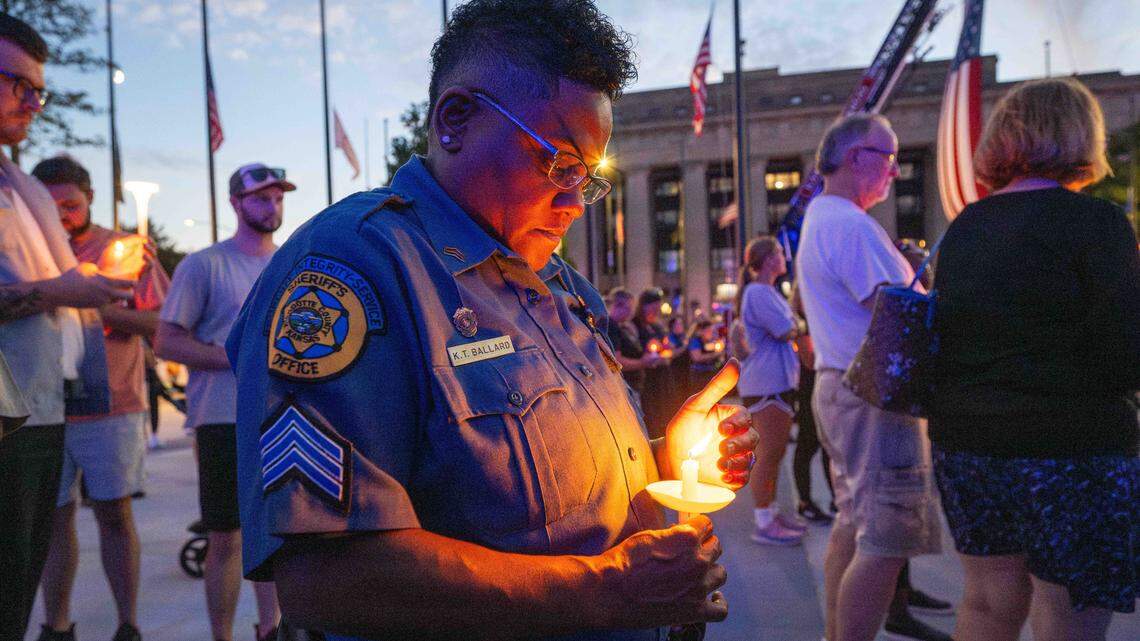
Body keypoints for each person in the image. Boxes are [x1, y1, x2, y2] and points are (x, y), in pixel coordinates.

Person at [226, 2, 759, 639]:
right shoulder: (352, 270)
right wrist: (610, 591)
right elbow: (328, 575)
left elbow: (521, 484)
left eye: (586, 178)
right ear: (456, 120)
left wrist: (671, 462)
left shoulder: (560, 284)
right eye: (558, 163)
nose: (572, 202)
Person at [928, 77, 1140, 641]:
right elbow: (1124, 352)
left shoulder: (963, 230)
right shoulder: (1097, 225)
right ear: (1079, 135)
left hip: (969, 442)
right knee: (1069, 608)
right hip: (1072, 442)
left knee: (987, 601)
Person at [0, 15, 134, 640]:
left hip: (45, 409)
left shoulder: (22, 186)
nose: (32, 100)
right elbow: (51, 289)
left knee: (18, 582)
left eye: (38, 89)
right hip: (7, 415)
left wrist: (96, 293)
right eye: (16, 83)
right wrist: (63, 290)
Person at [795, 113, 943, 641]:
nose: (896, 171)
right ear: (857, 157)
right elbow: (899, 311)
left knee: (853, 524)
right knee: (886, 538)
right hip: (875, 393)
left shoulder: (823, 218)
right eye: (889, 157)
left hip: (842, 386)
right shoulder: (851, 225)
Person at [30, 156, 169, 641]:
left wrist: (96, 307)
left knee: (114, 514)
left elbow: (161, 325)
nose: (63, 215)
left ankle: (127, 624)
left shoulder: (125, 248)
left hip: (113, 404)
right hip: (43, 405)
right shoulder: (34, 250)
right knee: (51, 519)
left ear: (89, 197)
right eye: (51, 207)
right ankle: (57, 624)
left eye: (70, 203)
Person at [154, 163, 291, 641]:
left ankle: (270, 630)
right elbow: (167, 342)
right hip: (222, 418)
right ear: (236, 203)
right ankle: (221, 634)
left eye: (277, 198)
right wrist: (237, 358)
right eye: (260, 198)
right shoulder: (204, 265)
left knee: (278, 533)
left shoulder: (289, 261)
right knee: (226, 536)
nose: (271, 206)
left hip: (280, 417)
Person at [735, 236, 806, 546]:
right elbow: (787, 328)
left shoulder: (769, 292)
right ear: (765, 261)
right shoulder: (758, 293)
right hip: (767, 383)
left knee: (775, 454)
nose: (783, 256)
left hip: (777, 381)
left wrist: (797, 322)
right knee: (769, 454)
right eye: (778, 252)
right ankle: (763, 521)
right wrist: (801, 323)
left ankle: (772, 512)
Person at [787, 283, 834, 524]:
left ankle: (837, 498)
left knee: (828, 447)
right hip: (809, 390)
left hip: (821, 388)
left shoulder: (818, 318)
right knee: (808, 444)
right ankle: (804, 502)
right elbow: (809, 359)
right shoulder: (802, 322)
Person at [603, 287, 663, 400]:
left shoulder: (622, 326)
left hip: (633, 387)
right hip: (625, 388)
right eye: (628, 308)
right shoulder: (611, 327)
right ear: (617, 305)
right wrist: (643, 362)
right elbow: (616, 361)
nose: (631, 312)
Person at [634, 287, 678, 439]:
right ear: (644, 306)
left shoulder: (658, 326)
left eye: (658, 306)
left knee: (666, 410)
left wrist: (665, 351)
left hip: (663, 375)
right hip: (648, 378)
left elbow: (667, 347)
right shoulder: (636, 325)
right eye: (653, 306)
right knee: (651, 414)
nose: (656, 310)